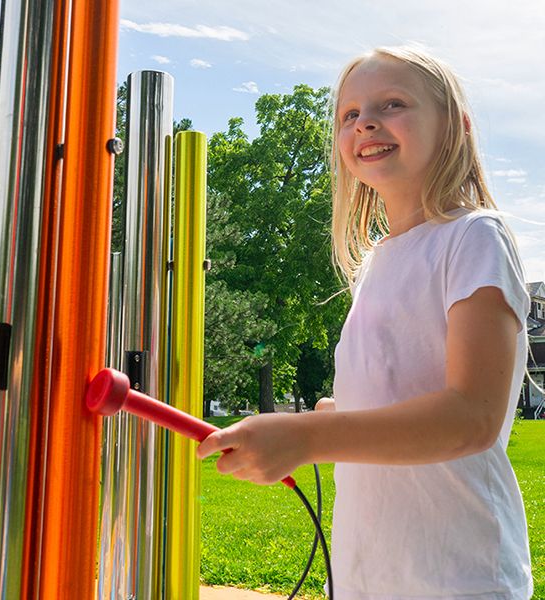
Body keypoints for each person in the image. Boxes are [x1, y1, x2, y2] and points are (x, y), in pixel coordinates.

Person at [197, 46, 533, 600]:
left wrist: (309, 435)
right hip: (366, 574)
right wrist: (341, 412)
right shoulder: (376, 261)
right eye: (349, 114)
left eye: (393, 103)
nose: (365, 122)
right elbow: (404, 386)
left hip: (458, 577)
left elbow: (472, 416)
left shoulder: (474, 237)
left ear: (457, 127)